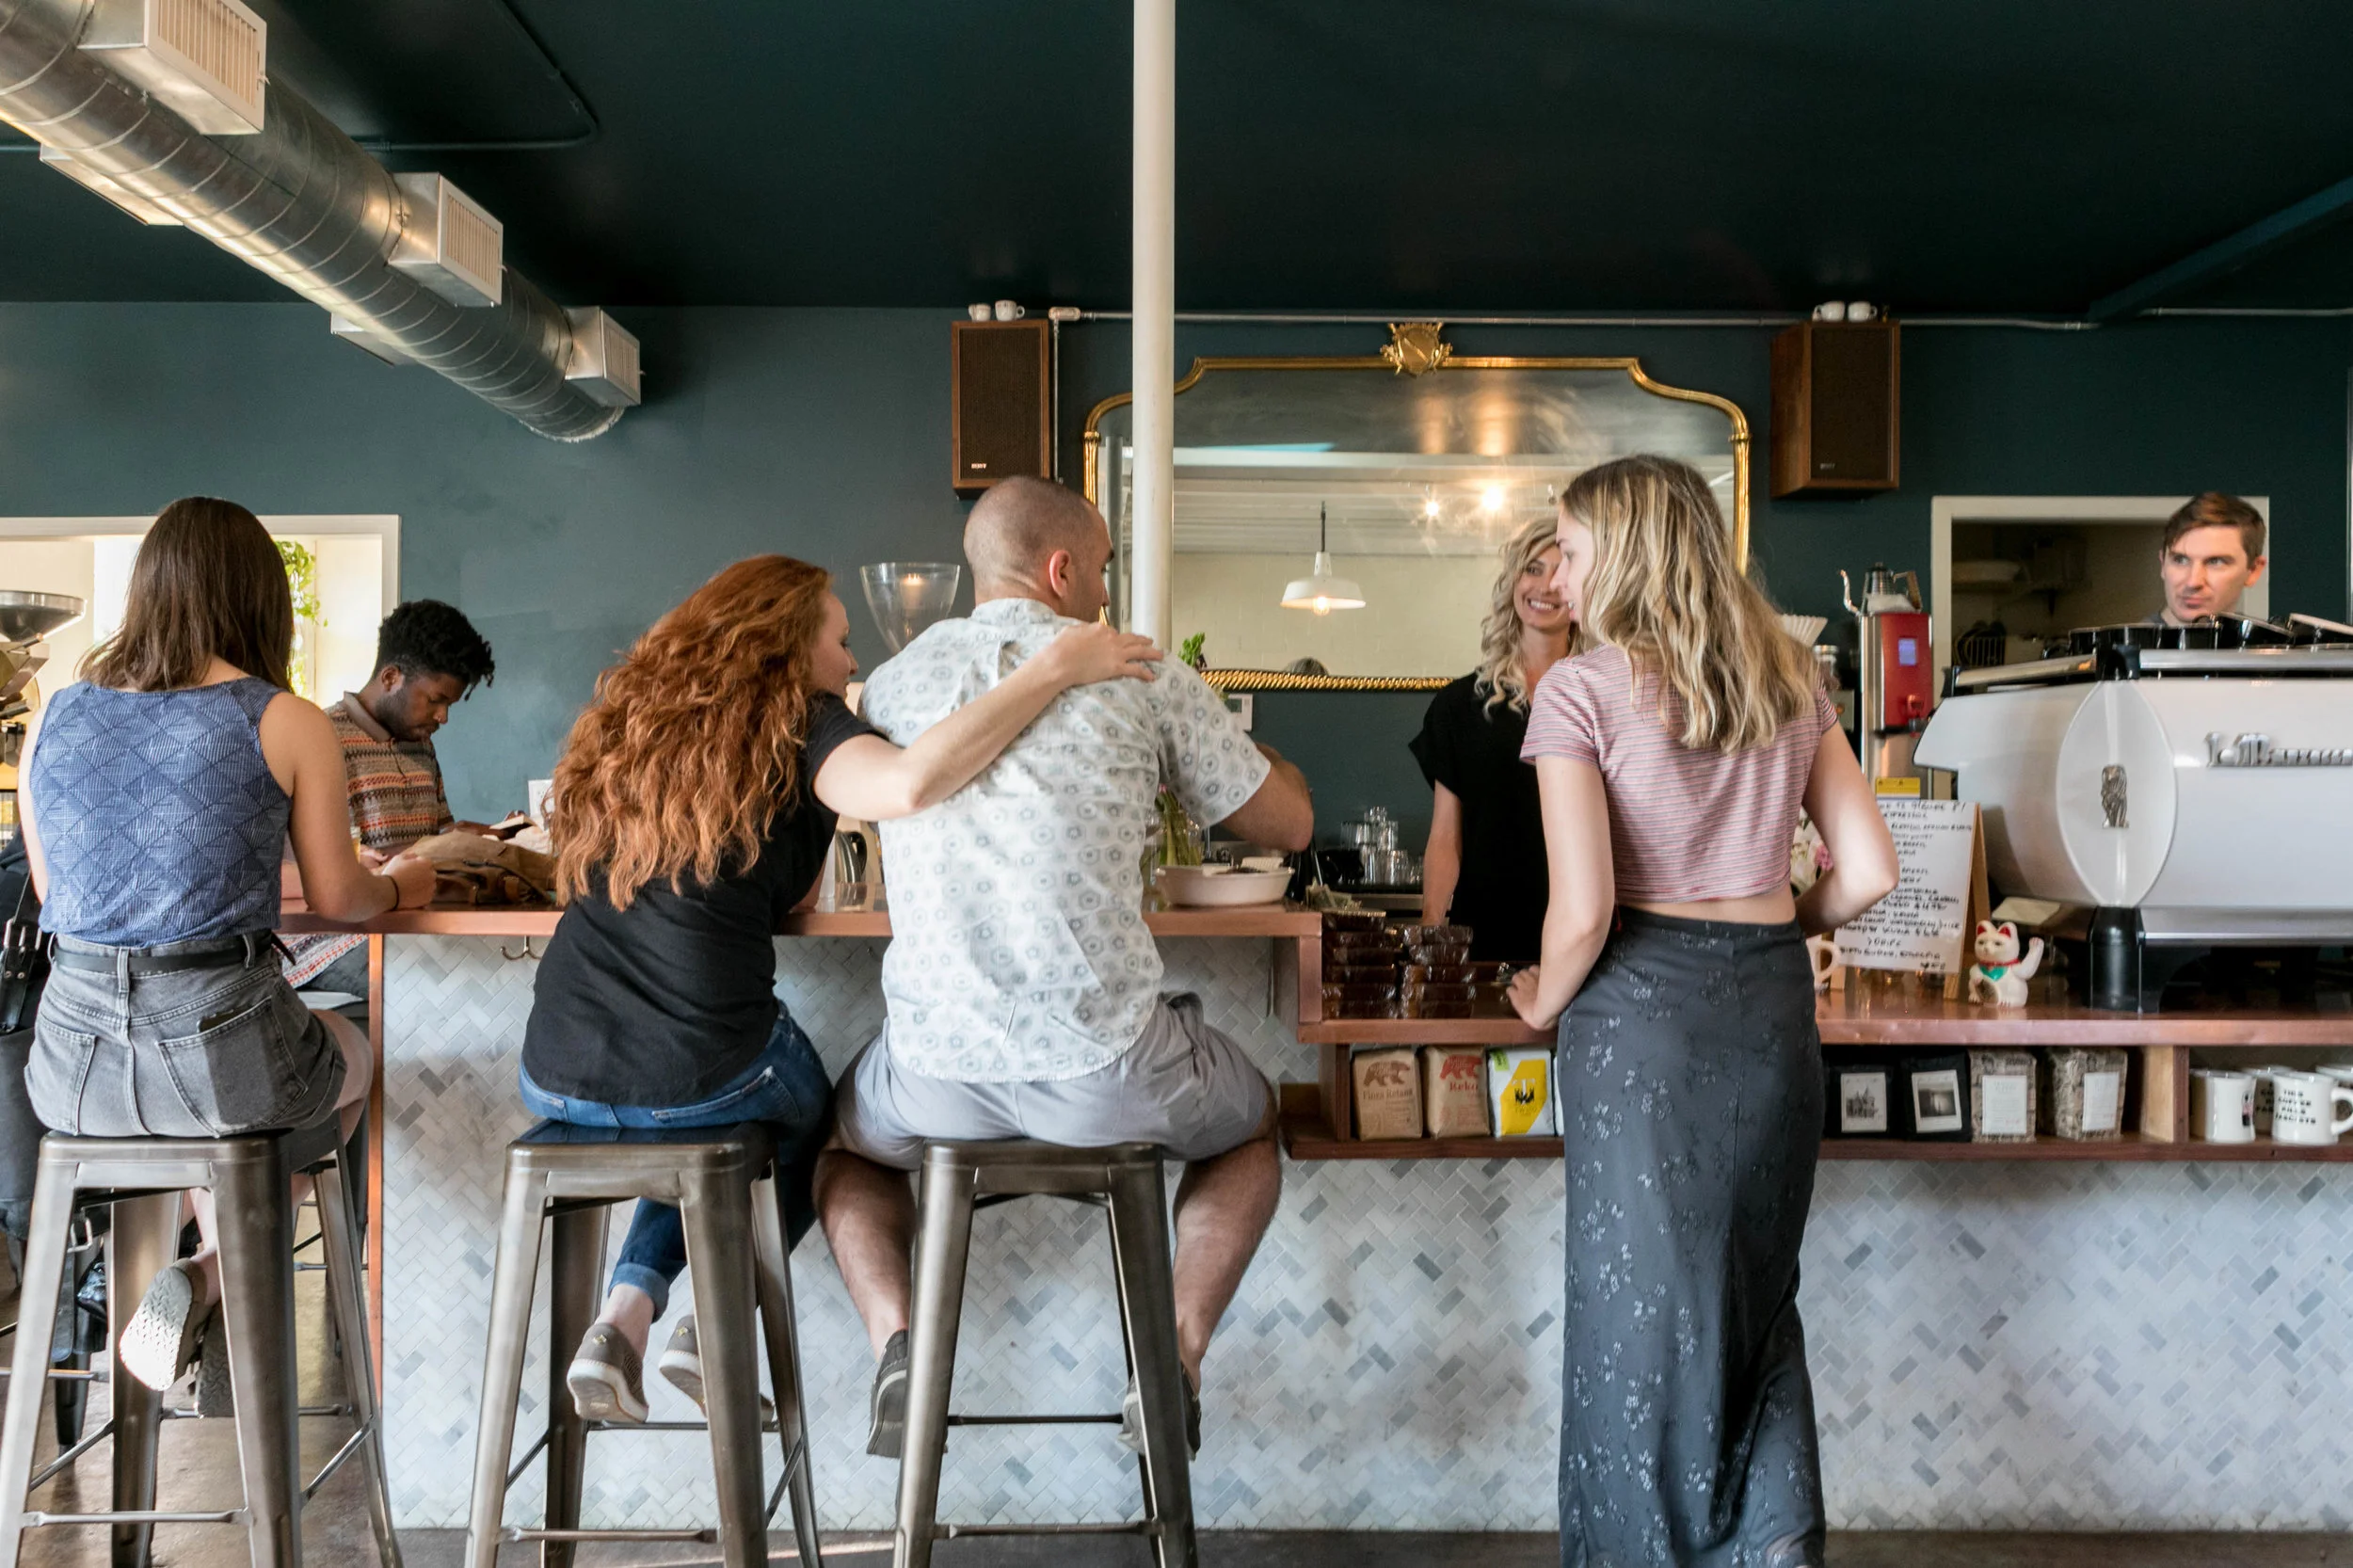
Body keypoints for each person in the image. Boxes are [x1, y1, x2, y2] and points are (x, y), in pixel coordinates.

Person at [522, 553, 1161, 1424]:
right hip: (701, 1068)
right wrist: (1052, 669)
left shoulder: (632, 719)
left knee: (698, 1117)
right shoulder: (808, 723)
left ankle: (622, 1318)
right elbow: (905, 784)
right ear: (787, 645)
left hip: (553, 1064)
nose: (850, 663)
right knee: (814, 1126)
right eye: (840, 639)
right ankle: (711, 1332)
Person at [815, 475, 1315, 1460]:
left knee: (841, 1149)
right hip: (1108, 1078)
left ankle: (901, 1343)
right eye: (1100, 570)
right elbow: (1287, 825)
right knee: (1254, 1123)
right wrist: (1251, 751)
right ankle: (1167, 1353)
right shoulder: (1137, 669)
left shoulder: (895, 681)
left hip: (934, 1084)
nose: (1103, 590)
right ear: (1062, 569)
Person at [1510, 456, 1897, 1568]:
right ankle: (1771, 1544)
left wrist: (1540, 1000)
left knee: (1642, 1323)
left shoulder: (1578, 691)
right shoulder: (1787, 675)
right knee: (1752, 1306)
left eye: (1571, 550)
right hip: (1770, 1003)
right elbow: (1867, 870)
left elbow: (1581, 911)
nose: (1558, 572)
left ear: (1624, 555)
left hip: (1642, 1018)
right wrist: (1784, 918)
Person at [17, 498, 437, 1401]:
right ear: (261, 599)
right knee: (349, 1057)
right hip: (218, 1060)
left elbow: (63, 900)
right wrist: (408, 883)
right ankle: (212, 1274)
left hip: (72, 1070)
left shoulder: (55, 715)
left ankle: (196, 1286)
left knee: (237, 1115)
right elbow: (340, 899)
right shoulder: (283, 718)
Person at [282, 599, 499, 1007]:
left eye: (449, 705)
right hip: (329, 940)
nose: (443, 717)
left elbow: (432, 840)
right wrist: (431, 851)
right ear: (390, 677)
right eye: (436, 699)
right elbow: (333, 872)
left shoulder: (421, 747)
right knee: (454, 986)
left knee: (495, 967)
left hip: (404, 926)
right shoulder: (321, 738)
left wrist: (471, 840)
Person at [1410, 514, 1577, 963]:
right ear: (1513, 581)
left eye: (1561, 572)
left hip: (1582, 933)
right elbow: (1446, 838)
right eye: (1532, 569)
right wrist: (1431, 931)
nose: (1544, 587)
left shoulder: (1604, 697)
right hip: (1483, 938)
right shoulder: (1459, 705)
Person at [2150, 491, 2266, 627]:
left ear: (2253, 571)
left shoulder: (2270, 646)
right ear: (2163, 564)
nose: (2193, 582)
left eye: (2215, 562)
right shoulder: (2126, 646)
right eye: (2180, 560)